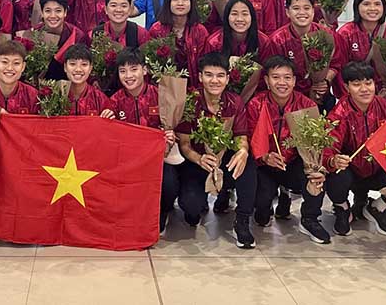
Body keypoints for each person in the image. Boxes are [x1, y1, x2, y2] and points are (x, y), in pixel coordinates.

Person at [244, 55, 331, 244]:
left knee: (315, 175)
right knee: (261, 215)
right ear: (266, 80)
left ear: (294, 81)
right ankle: (270, 201)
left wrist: (316, 166)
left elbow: (315, 146)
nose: (281, 82)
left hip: (293, 162)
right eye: (275, 77)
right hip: (265, 166)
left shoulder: (307, 106)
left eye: (287, 77)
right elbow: (249, 139)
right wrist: (265, 157)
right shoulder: (255, 104)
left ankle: (310, 218)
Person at [176, 53, 256, 249]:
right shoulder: (190, 101)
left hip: (223, 159)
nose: (214, 80)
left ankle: (243, 220)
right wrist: (199, 158)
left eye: (220, 75)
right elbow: (184, 145)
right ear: (200, 77)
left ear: (227, 79)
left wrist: (243, 150)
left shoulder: (235, 102)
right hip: (196, 162)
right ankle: (194, 208)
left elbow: (241, 137)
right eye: (209, 75)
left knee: (248, 164)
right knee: (192, 208)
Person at [323, 61, 386, 237]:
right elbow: (327, 148)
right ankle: (343, 207)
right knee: (335, 175)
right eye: (356, 84)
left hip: (379, 168)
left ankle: (379, 207)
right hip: (351, 172)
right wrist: (333, 160)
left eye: (368, 83)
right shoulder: (338, 114)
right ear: (346, 87)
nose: (364, 89)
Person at [108, 48, 179, 232]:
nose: (128, 75)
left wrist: (170, 135)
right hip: (128, 161)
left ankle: (162, 211)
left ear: (145, 70)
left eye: (133, 69)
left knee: (170, 184)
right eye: (122, 71)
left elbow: (173, 127)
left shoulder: (162, 96)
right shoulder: (114, 102)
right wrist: (105, 120)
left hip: (159, 158)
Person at [268, 0, 345, 113]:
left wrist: (324, 82)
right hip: (289, 99)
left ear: (313, 11)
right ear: (288, 12)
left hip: (321, 96)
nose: (302, 12)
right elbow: (273, 72)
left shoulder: (326, 35)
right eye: (296, 8)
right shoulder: (277, 40)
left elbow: (336, 63)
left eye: (307, 8)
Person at [337, 0, 386, 105]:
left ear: (384, 7)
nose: (372, 8)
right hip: (357, 97)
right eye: (366, 4)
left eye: (377, 4)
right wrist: (348, 96)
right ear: (357, 7)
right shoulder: (346, 33)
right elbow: (340, 69)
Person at [148, 0, 210, 88]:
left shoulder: (200, 31)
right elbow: (151, 63)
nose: (180, 3)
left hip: (195, 87)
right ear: (168, 3)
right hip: (165, 88)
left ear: (191, 3)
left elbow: (206, 64)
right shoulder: (157, 30)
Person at [25, 0, 88, 82]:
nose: (53, 16)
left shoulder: (77, 35)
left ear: (65, 12)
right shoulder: (33, 34)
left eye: (58, 11)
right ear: (42, 13)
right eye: (48, 11)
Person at [205, 0, 274, 69]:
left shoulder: (264, 42)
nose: (239, 19)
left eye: (245, 14)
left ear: (252, 17)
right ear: (227, 17)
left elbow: (266, 72)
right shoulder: (214, 42)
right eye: (234, 14)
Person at [60, 44, 113, 117]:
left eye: (84, 64)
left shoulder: (100, 99)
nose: (78, 69)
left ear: (90, 68)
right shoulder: (54, 97)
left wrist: (108, 118)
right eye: (72, 64)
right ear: (65, 67)